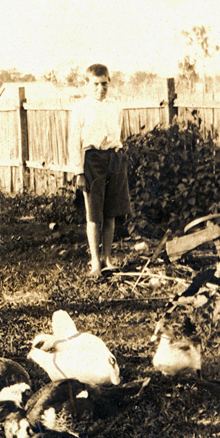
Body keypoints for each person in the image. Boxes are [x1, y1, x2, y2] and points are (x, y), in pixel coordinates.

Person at [71, 63, 133, 277]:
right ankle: (95, 262)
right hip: (92, 160)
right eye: (96, 84)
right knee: (94, 214)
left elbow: (118, 131)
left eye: (104, 84)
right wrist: (79, 172)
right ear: (87, 84)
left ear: (109, 83)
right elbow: (73, 142)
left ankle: (106, 258)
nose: (100, 88)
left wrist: (117, 153)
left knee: (111, 213)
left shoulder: (115, 106)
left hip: (114, 158)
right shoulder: (80, 109)